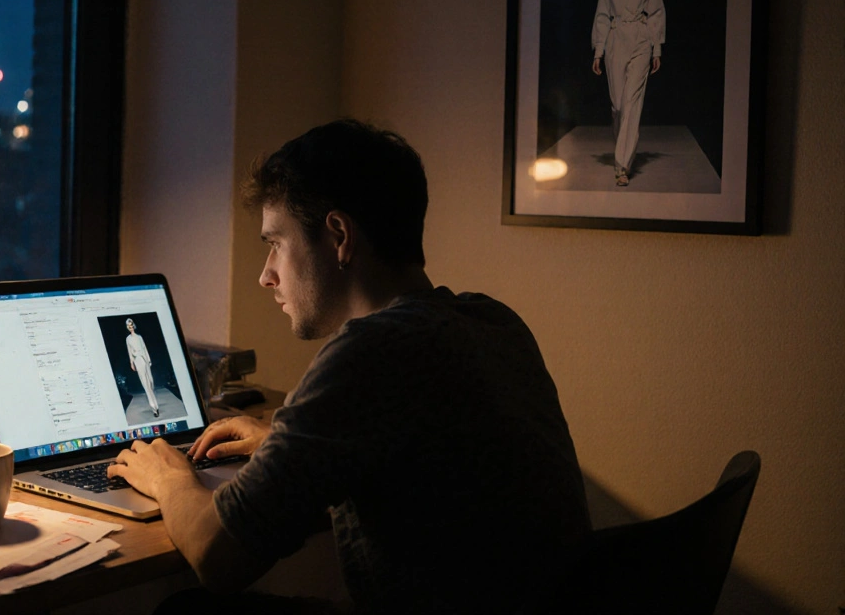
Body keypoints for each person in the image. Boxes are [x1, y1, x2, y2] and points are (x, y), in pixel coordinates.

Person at [108, 120, 591, 614]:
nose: (265, 275)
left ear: (339, 235)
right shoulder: (491, 321)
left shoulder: (370, 353)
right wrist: (283, 434)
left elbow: (218, 556)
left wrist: (168, 476)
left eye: (275, 243)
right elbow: (407, 424)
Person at [591, 0, 665, 187]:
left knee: (632, 105)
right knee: (619, 106)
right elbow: (601, 17)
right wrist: (598, 52)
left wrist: (657, 48)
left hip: (641, 39)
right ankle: (622, 149)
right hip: (615, 40)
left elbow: (656, 13)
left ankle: (622, 166)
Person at [126, 318, 160, 418]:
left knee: (150, 382)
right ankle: (154, 408)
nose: (130, 328)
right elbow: (129, 351)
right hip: (137, 360)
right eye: (129, 326)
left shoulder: (139, 337)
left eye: (131, 326)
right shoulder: (128, 339)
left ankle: (154, 403)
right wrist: (132, 363)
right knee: (145, 384)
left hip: (144, 358)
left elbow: (144, 348)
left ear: (133, 326)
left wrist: (148, 360)